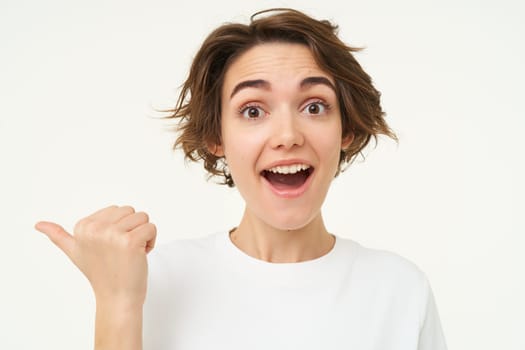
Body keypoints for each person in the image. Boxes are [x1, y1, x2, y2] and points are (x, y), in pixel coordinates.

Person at [35, 8, 447, 350]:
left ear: (346, 130)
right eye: (253, 110)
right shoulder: (154, 280)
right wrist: (117, 302)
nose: (288, 136)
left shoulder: (400, 290)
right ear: (217, 137)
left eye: (315, 106)